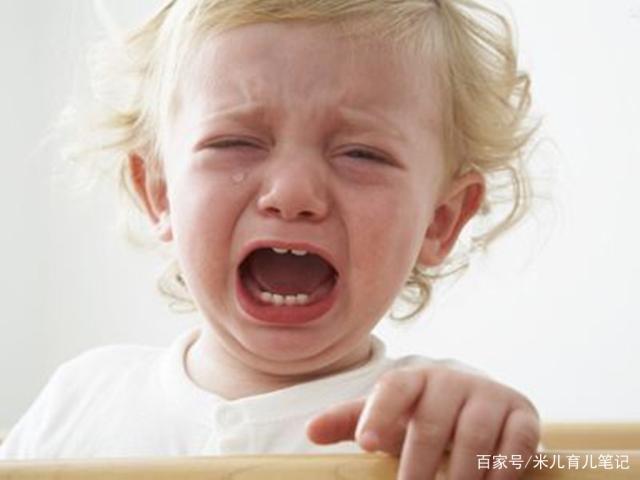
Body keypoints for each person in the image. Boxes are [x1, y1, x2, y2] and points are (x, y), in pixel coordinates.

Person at [0, 0, 541, 478]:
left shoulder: (433, 425)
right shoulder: (80, 402)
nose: (292, 193)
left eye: (362, 153)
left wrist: (489, 444)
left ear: (440, 220)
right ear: (159, 192)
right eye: (235, 142)